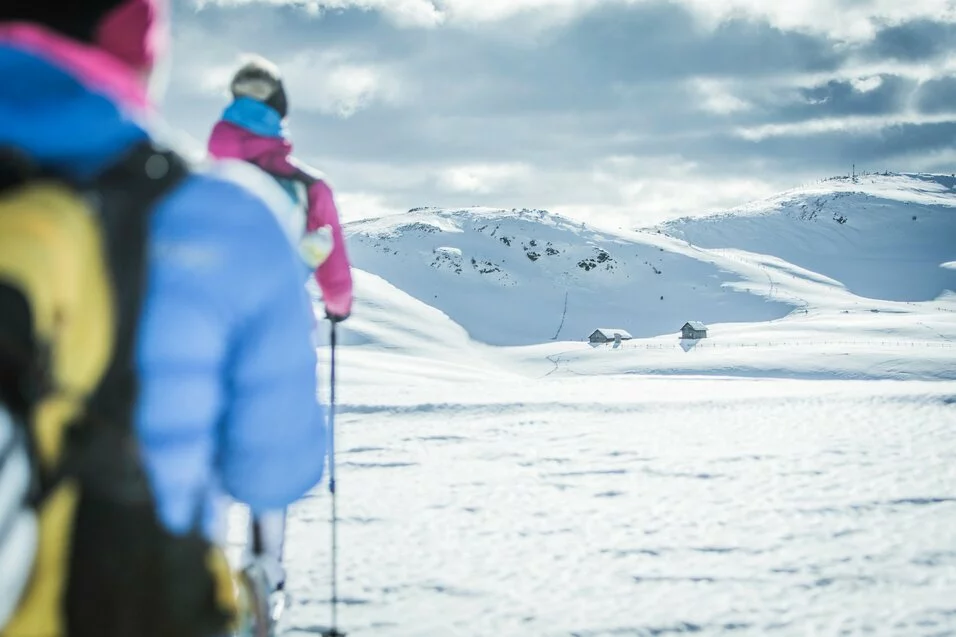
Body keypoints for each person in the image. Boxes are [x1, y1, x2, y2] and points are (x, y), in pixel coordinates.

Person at [0, 1, 345, 635]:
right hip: (133, 593)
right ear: (139, 45)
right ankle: (266, 578)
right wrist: (336, 304)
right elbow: (272, 469)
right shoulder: (230, 214)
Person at [207, 55, 354, 323]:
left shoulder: (194, 178)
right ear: (280, 106)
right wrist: (338, 308)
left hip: (199, 321)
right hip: (277, 322)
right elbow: (336, 278)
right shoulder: (309, 187)